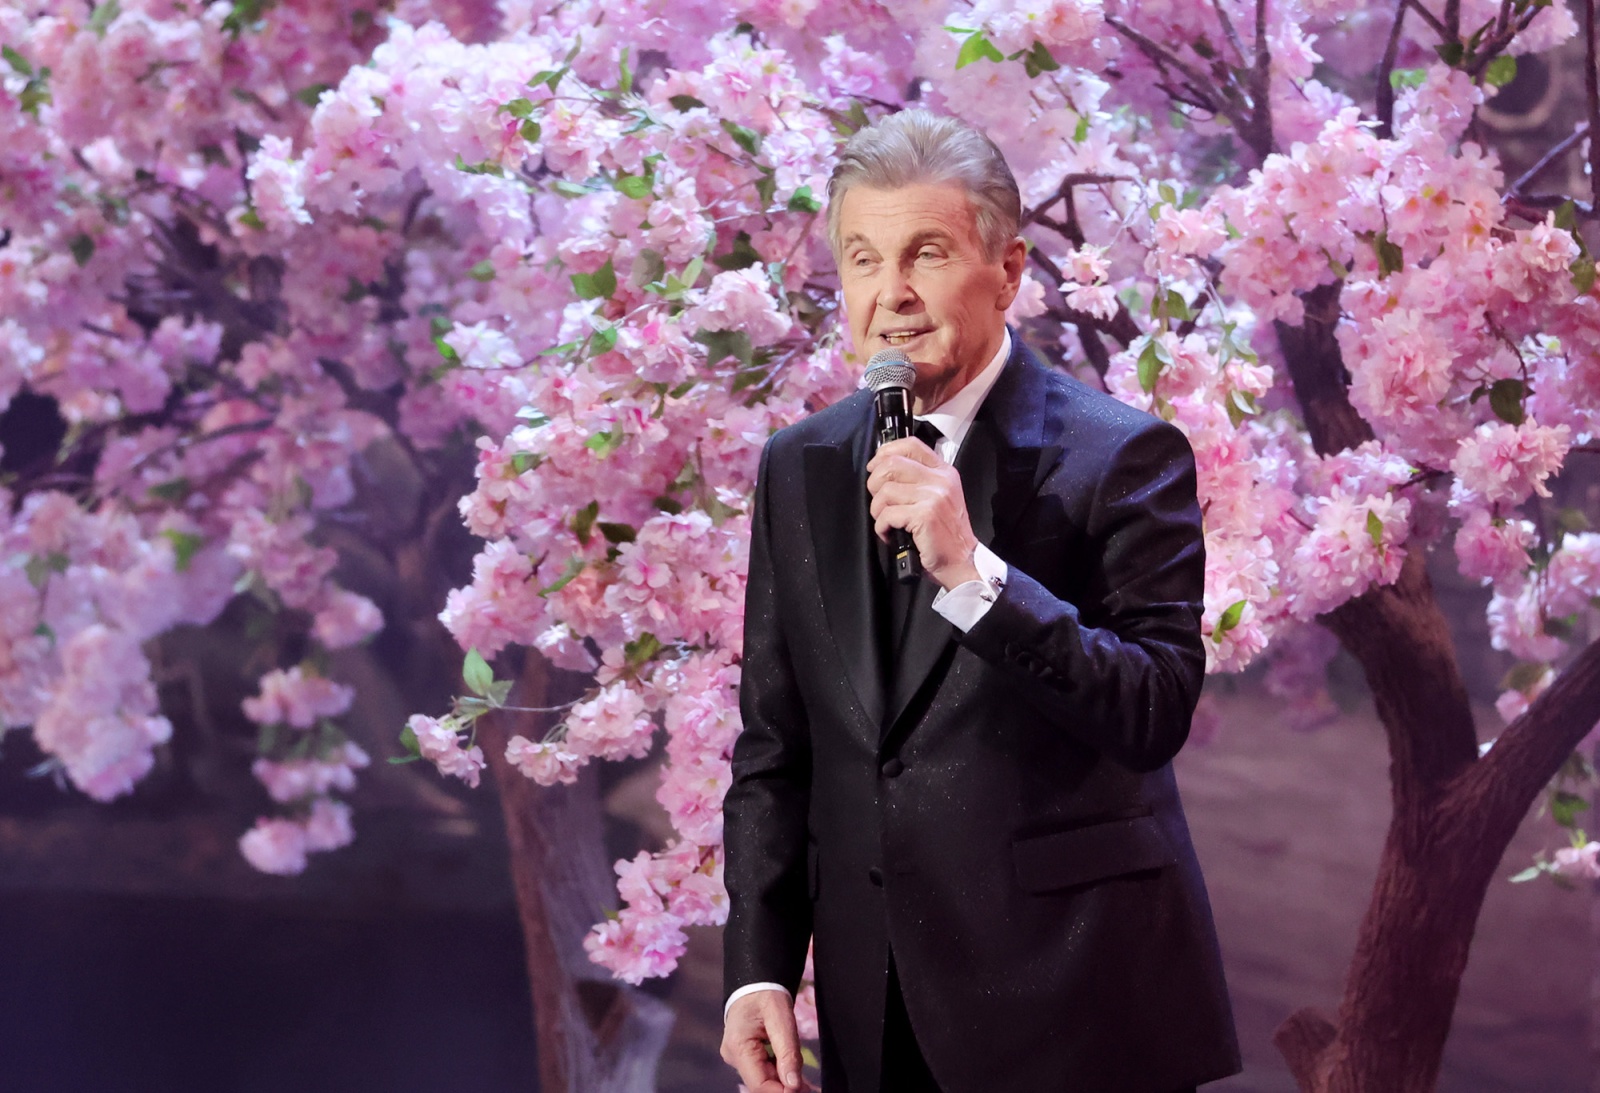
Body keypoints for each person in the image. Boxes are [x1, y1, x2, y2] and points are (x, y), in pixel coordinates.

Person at [719, 110, 1240, 1093]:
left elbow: (1152, 710)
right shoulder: (799, 464)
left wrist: (972, 573)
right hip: (877, 1015)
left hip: (1076, 1008)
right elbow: (775, 747)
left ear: (1008, 270)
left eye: (926, 253)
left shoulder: (1122, 455)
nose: (891, 293)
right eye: (863, 259)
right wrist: (758, 969)